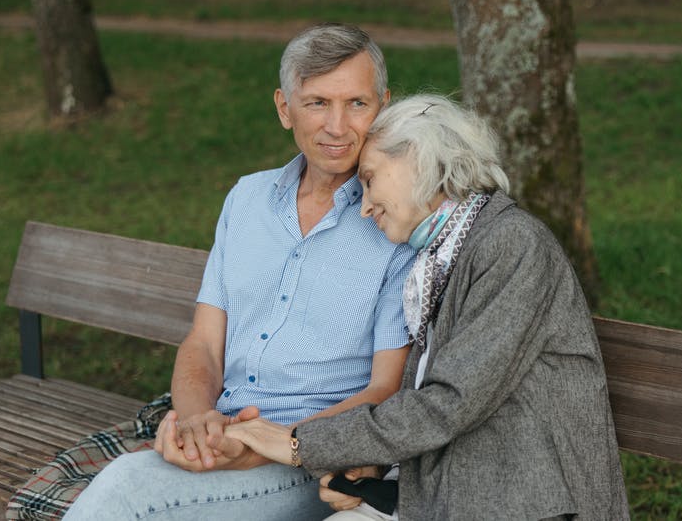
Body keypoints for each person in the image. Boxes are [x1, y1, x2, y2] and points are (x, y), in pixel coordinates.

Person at [63, 24, 415, 520]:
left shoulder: (395, 217)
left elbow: (385, 391)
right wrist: (197, 423)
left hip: (310, 457)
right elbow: (204, 343)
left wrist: (263, 446)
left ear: (383, 106)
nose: (338, 126)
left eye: (357, 103)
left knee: (124, 494)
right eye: (317, 103)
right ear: (283, 108)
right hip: (226, 432)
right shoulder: (247, 199)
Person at [224, 94, 630, 520]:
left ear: (419, 160)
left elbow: (450, 402)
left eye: (370, 179)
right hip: (456, 489)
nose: (363, 207)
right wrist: (375, 472)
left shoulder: (510, 244)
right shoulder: (438, 258)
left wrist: (299, 443)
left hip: (528, 500)